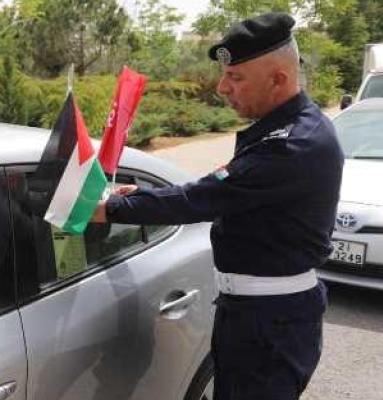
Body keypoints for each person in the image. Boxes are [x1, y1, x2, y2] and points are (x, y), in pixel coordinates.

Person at [91, 12, 343, 400]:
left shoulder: (293, 144)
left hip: (269, 323)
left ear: (278, 79)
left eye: (236, 77)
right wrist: (135, 196)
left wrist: (112, 209)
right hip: (256, 313)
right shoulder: (285, 131)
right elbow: (224, 188)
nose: (223, 88)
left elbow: (205, 198)